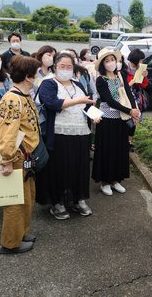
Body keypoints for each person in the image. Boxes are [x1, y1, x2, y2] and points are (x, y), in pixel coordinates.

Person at [38, 53, 97, 220]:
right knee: (59, 168)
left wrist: (94, 115)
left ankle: (78, 199)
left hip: (80, 132)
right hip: (58, 134)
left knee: (79, 167)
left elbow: (87, 105)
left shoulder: (78, 84)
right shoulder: (48, 83)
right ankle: (58, 202)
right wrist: (77, 101)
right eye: (62, 66)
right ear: (55, 67)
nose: (65, 70)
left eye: (69, 67)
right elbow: (51, 103)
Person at [0, 56, 42, 254]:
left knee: (27, 197)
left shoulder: (24, 95)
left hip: (26, 157)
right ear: (29, 77)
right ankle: (10, 243)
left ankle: (21, 232)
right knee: (15, 200)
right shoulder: (13, 99)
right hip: (15, 158)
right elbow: (7, 131)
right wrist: (6, 159)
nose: (39, 76)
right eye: (36, 73)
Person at [92, 49, 140, 196]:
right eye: (107, 61)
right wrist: (129, 110)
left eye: (113, 59)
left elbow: (128, 93)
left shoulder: (120, 75)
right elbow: (109, 100)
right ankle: (105, 181)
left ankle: (116, 180)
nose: (111, 63)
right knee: (106, 150)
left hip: (121, 119)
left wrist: (134, 109)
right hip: (106, 120)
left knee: (120, 149)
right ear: (102, 64)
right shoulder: (101, 80)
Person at [126, 48, 148, 151]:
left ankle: (129, 142)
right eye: (141, 60)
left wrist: (144, 77)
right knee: (125, 119)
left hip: (137, 98)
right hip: (126, 97)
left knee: (134, 121)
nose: (142, 62)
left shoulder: (141, 69)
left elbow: (144, 85)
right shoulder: (124, 70)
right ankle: (123, 140)